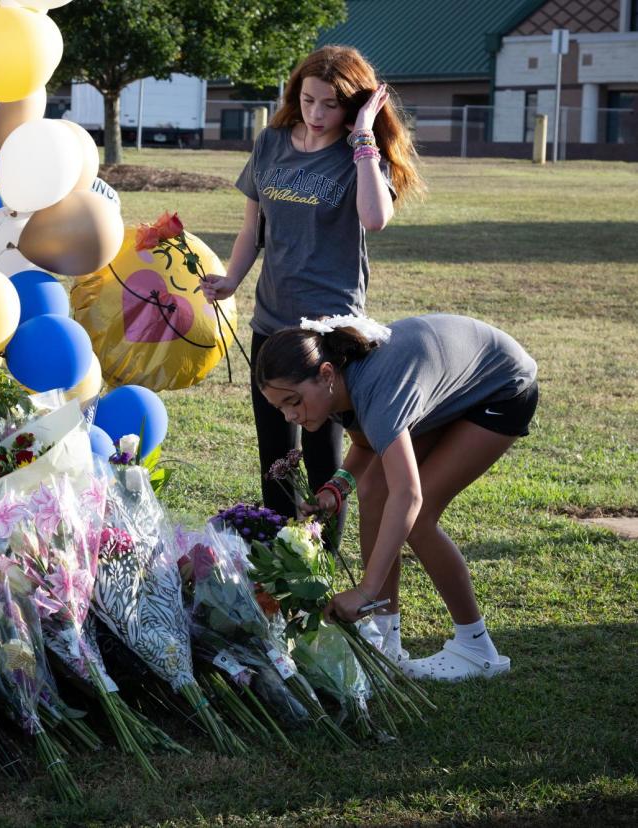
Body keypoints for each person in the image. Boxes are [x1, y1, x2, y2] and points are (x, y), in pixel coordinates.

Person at [201, 46, 425, 542]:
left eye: (330, 104)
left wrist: (364, 137)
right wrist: (232, 279)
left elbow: (374, 218)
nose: (317, 114)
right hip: (271, 323)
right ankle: (281, 566)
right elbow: (251, 228)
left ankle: (321, 566)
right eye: (308, 100)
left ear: (353, 105)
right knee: (276, 456)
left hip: (327, 333)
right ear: (294, 95)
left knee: (326, 459)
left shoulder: (359, 154)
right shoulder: (271, 142)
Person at [254, 313, 539, 681]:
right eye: (280, 408)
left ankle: (475, 647)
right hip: (454, 385)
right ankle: (386, 636)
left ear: (325, 374)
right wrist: (337, 488)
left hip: (502, 388)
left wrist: (365, 588)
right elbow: (368, 443)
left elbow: (409, 495)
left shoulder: (375, 391)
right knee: (373, 489)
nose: (290, 416)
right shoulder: (338, 386)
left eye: (293, 401)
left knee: (418, 520)